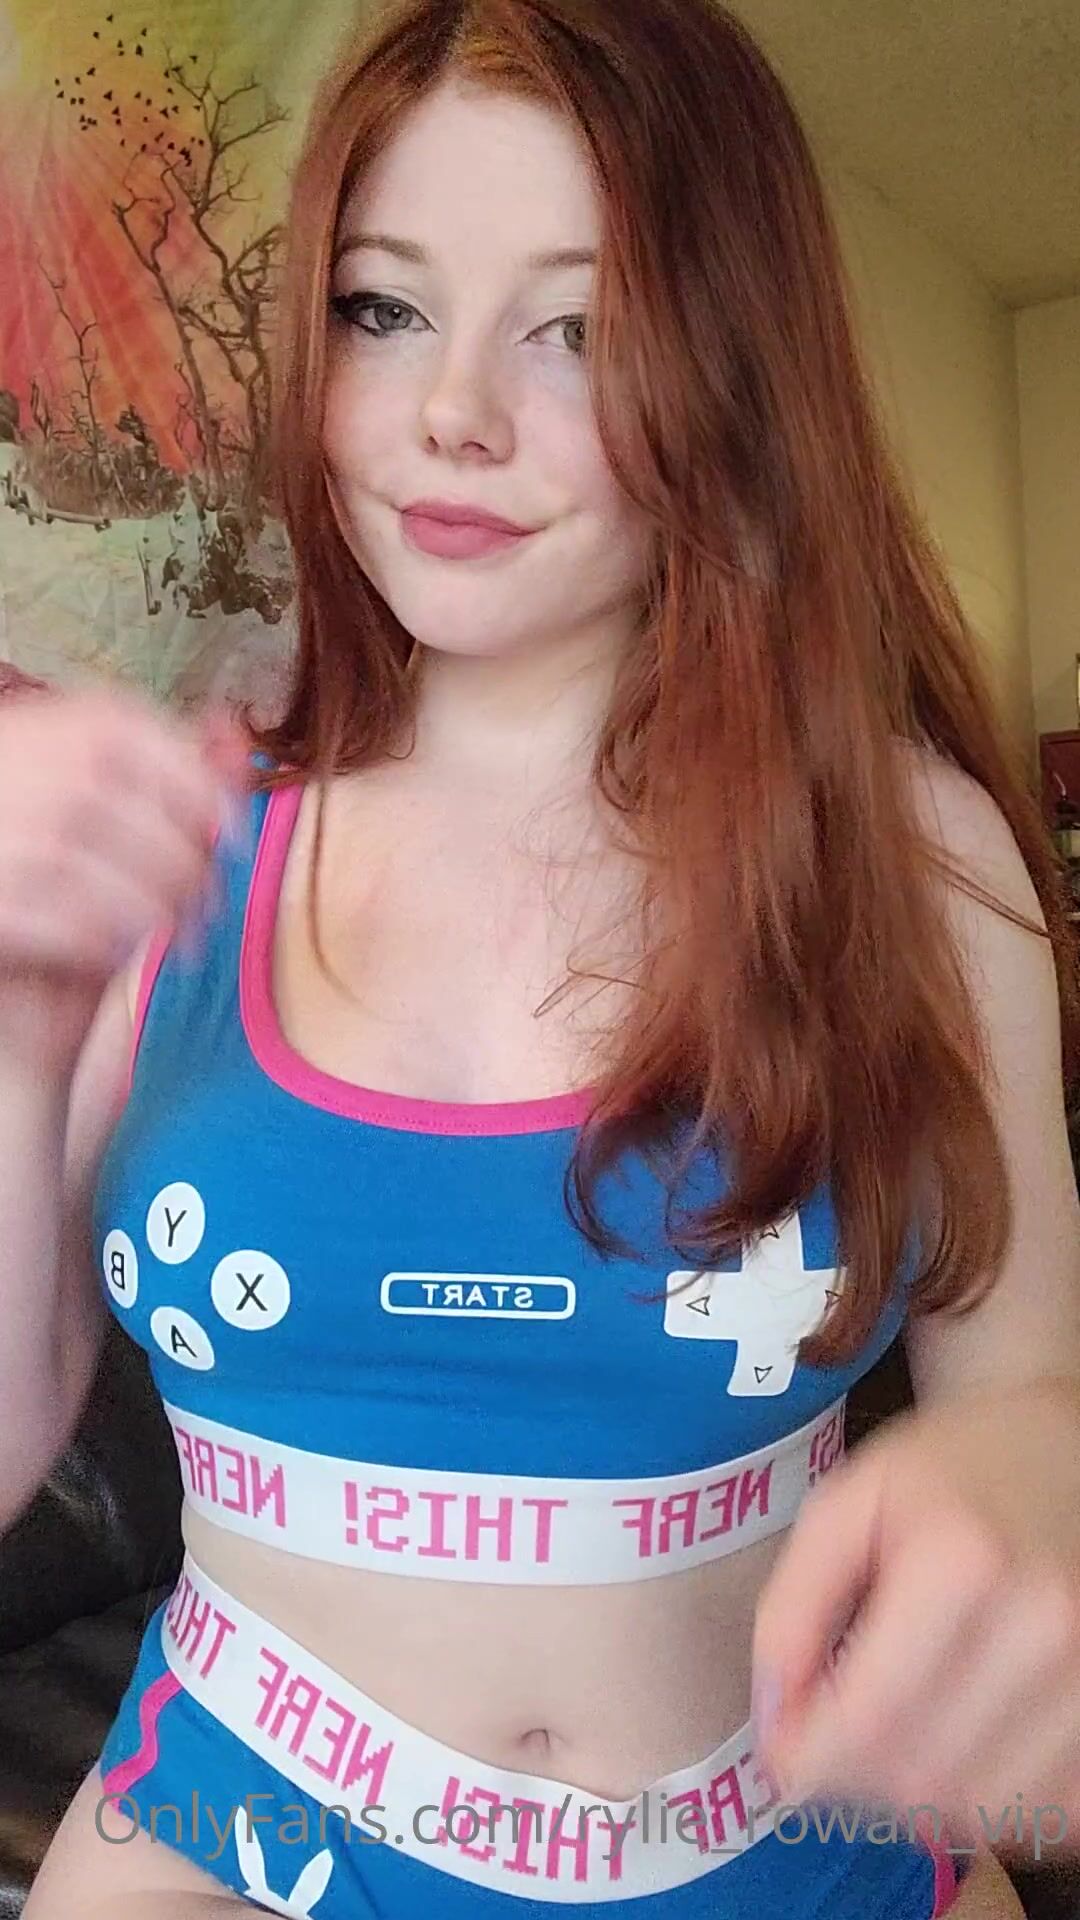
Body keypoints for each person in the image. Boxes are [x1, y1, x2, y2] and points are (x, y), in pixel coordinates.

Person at [4, 0, 1079, 1914]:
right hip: (234, 1846)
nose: (455, 414)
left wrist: (1034, 1489)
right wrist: (16, 1038)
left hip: (806, 1848)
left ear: (731, 365)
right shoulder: (177, 841)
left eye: (574, 329)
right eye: (383, 307)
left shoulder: (918, 866)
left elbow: (1032, 1398)